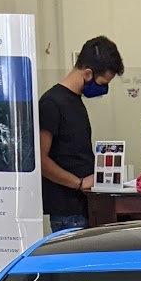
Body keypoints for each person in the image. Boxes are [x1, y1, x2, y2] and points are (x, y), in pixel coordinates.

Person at [38, 35, 125, 231]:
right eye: (103, 82)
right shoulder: (52, 103)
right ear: (87, 73)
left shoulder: (75, 101)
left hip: (84, 206)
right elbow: (40, 160)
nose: (104, 89)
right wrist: (78, 183)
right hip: (68, 212)